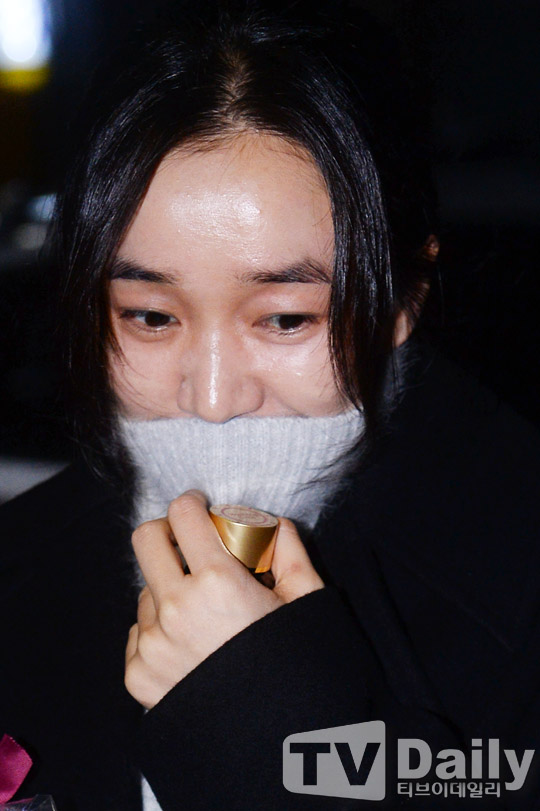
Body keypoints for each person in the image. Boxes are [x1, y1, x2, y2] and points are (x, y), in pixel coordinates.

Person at [1, 2, 539, 809]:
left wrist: (275, 728)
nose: (214, 397)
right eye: (150, 316)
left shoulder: (516, 575)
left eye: (285, 318)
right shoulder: (21, 563)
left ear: (403, 301)